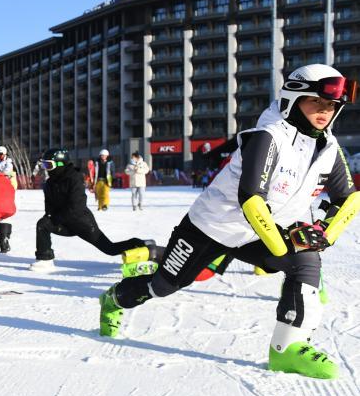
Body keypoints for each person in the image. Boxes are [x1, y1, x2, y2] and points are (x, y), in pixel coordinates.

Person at [99, 64, 358, 379]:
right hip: (211, 227)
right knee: (164, 286)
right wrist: (283, 243)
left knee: (306, 262)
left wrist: (324, 235)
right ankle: (113, 299)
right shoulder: (269, 136)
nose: (324, 111)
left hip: (259, 231)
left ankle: (286, 350)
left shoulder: (327, 146)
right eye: (315, 102)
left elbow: (349, 198)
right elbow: (251, 198)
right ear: (293, 99)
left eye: (330, 105)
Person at [31, 148, 153, 272]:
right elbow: (49, 204)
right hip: (63, 222)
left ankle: (143, 245)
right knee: (43, 224)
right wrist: (50, 216)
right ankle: (44, 260)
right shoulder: (50, 183)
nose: (46, 169)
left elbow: (77, 206)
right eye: (44, 165)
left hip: (81, 222)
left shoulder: (74, 178)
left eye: (48, 165)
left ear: (60, 164)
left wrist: (56, 218)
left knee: (110, 249)